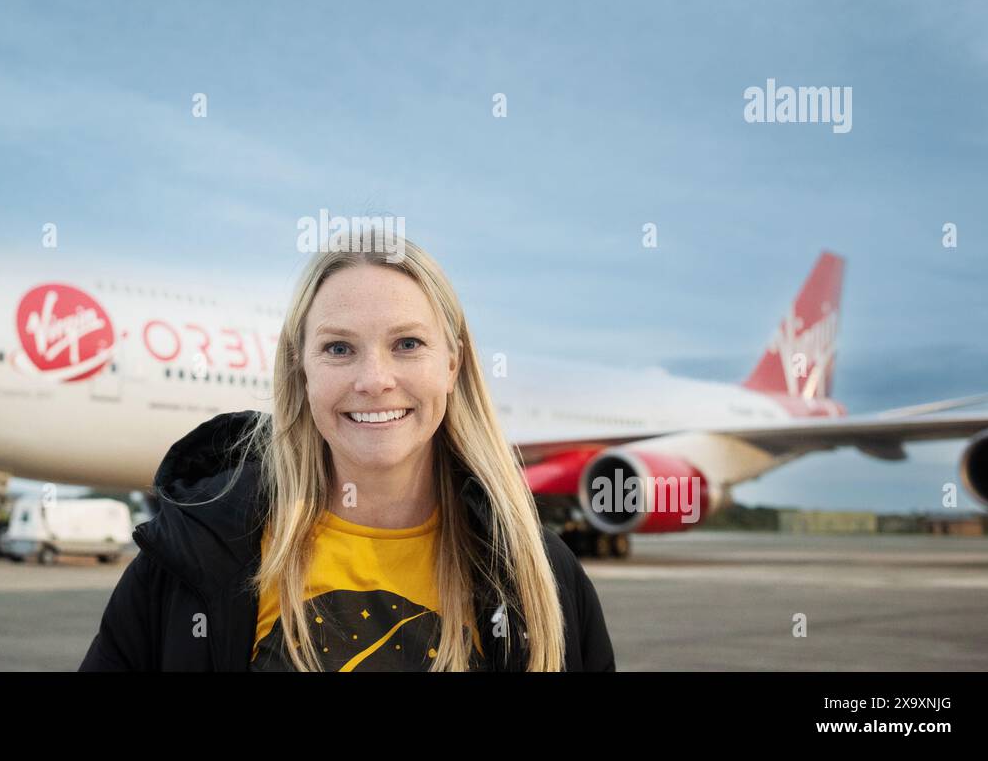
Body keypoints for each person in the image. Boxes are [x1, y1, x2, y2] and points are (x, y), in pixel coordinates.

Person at [79, 230, 615, 671]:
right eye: (339, 348)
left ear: (452, 364)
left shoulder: (540, 573)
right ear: (301, 369)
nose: (374, 380)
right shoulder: (189, 560)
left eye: (407, 344)